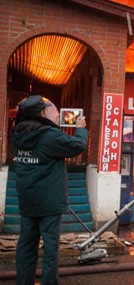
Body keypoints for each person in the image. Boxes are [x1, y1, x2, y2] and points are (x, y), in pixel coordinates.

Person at [13, 95, 88, 285]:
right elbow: (78, 145)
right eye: (53, 109)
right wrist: (80, 129)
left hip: (28, 200)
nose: (57, 113)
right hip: (49, 203)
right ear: (42, 113)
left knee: (26, 246)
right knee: (51, 248)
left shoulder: (19, 133)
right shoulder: (49, 136)